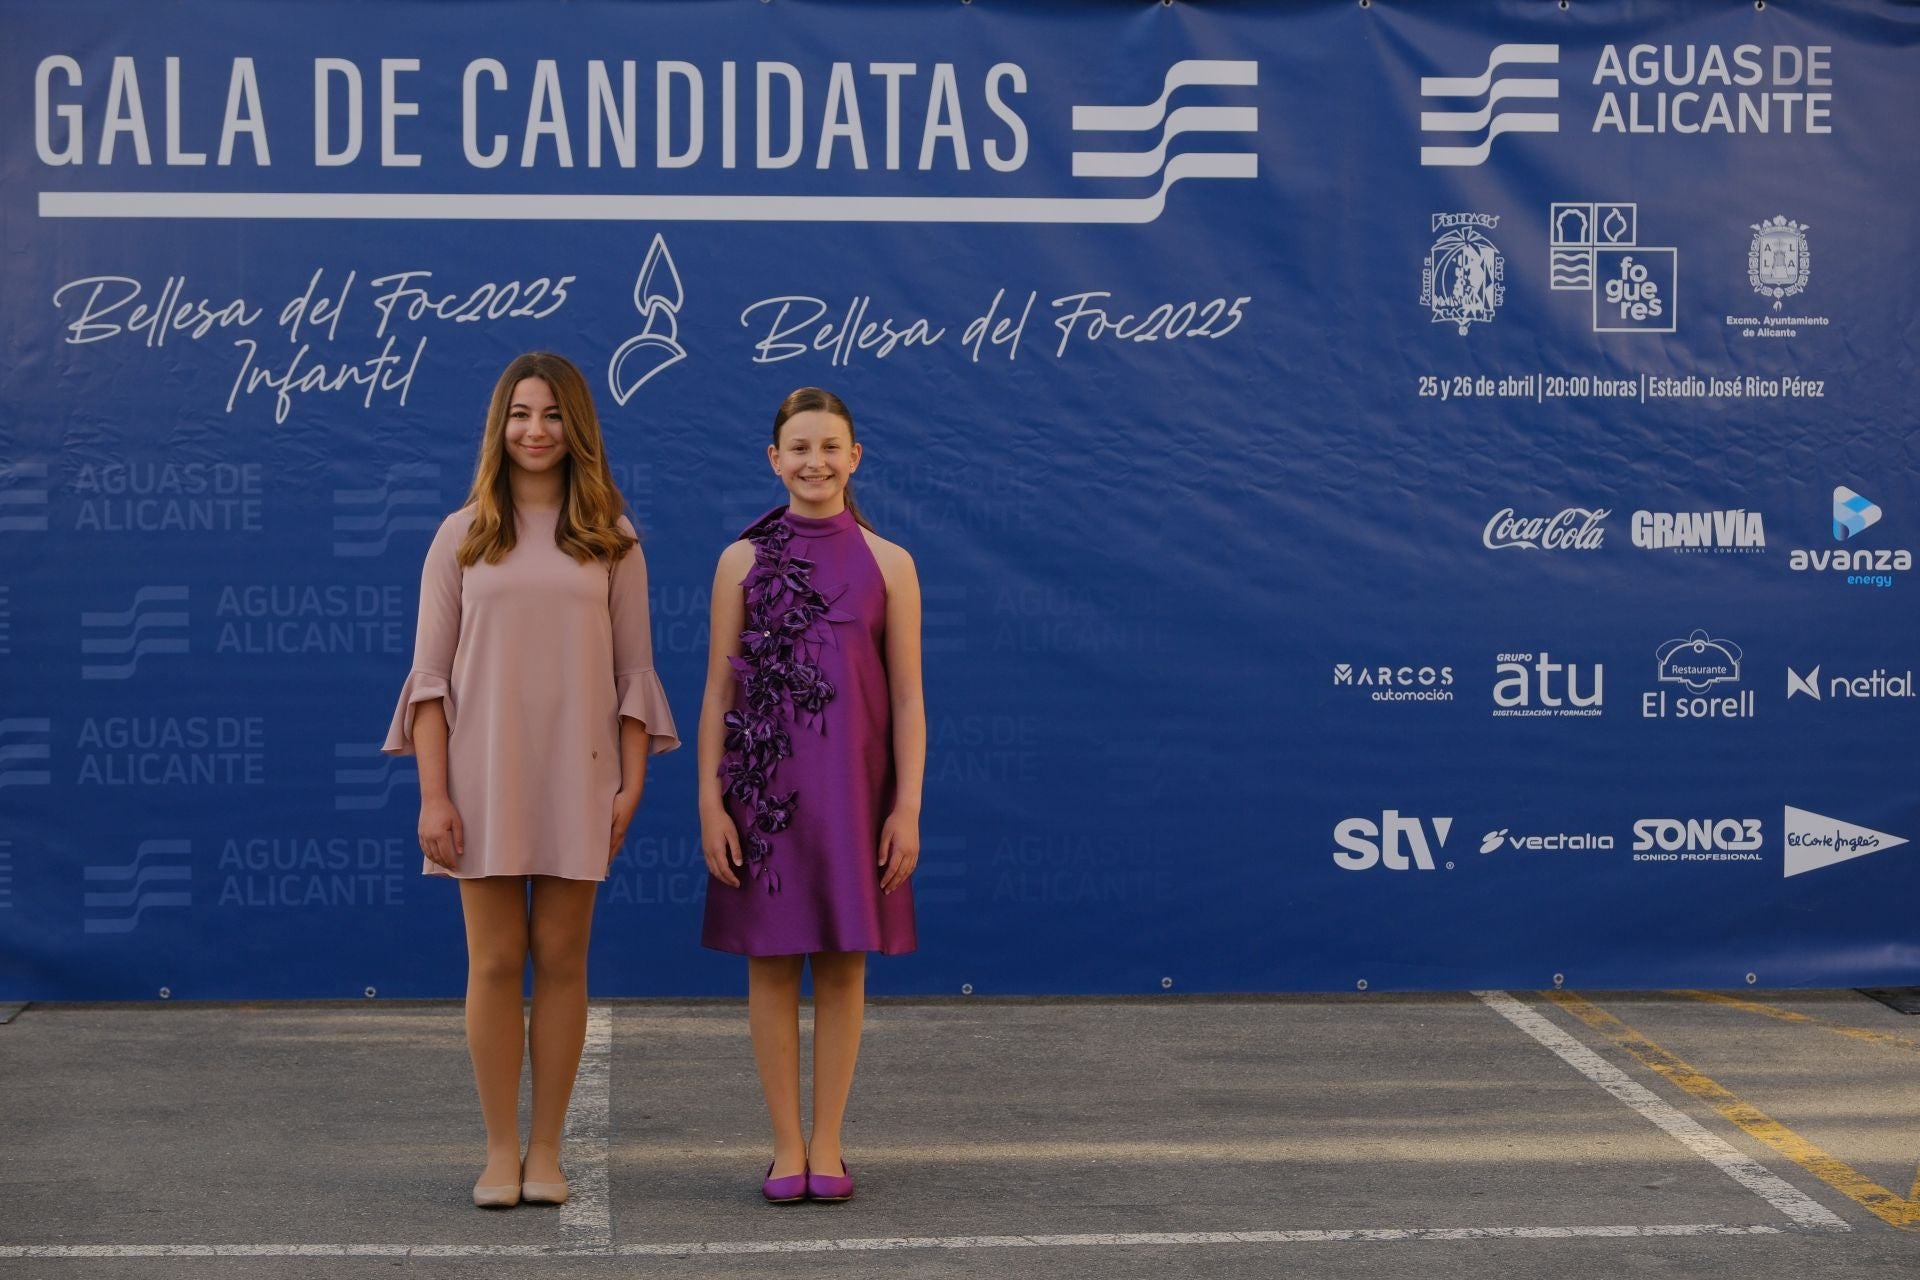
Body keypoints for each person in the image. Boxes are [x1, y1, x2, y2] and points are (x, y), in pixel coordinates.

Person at [382, 351, 679, 1209]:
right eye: (520, 414)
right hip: (479, 781)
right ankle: (500, 1149)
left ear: (577, 426)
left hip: (580, 777)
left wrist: (630, 784)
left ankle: (548, 1148)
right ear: (498, 426)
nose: (535, 430)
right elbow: (429, 677)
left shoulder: (613, 538)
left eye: (552, 414)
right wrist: (434, 794)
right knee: (494, 960)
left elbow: (635, 675)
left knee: (561, 958)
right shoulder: (462, 533)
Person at [698, 387, 924, 1204]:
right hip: (764, 798)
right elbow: (718, 690)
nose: (815, 462)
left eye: (830, 447)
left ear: (854, 457)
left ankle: (828, 1142)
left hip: (857, 796)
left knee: (841, 966)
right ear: (774, 459)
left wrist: (907, 808)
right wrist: (711, 803)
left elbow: (906, 699)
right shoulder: (740, 560)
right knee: (769, 965)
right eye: (799, 447)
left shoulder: (890, 562)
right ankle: (784, 1144)